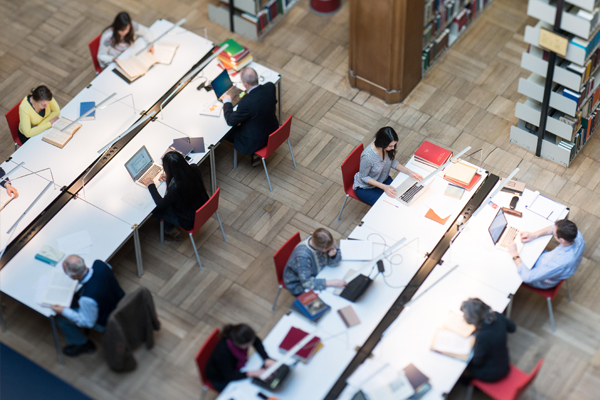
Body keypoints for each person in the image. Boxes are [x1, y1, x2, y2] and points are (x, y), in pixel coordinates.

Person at [50, 255, 125, 357]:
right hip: (119, 302)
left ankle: (82, 344)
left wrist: (63, 311)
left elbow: (87, 322)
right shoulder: (100, 264)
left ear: (75, 275)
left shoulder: (87, 298)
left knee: (60, 320)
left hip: (106, 320)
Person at [143, 151, 209, 241]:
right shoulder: (194, 168)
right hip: (203, 207)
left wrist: (151, 186)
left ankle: (170, 229)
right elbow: (185, 179)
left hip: (189, 220)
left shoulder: (176, 187)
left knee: (156, 210)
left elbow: (161, 204)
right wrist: (169, 178)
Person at [222, 68, 279, 167]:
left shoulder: (246, 103)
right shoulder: (270, 87)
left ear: (246, 84)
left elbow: (230, 120)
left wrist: (227, 102)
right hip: (273, 130)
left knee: (225, 132)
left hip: (255, 141)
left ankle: (254, 152)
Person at [353, 127, 423, 206]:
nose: (393, 148)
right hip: (366, 187)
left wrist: (410, 172)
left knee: (402, 196)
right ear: (382, 143)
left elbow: (391, 162)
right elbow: (364, 177)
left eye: (394, 145)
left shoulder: (384, 148)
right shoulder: (368, 157)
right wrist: (383, 187)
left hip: (383, 180)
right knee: (387, 205)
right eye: (390, 146)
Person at [508, 219, 585, 289]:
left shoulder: (558, 262)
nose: (552, 231)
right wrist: (534, 235)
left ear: (562, 240)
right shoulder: (577, 235)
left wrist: (514, 253)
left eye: (554, 234)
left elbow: (528, 277)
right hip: (544, 259)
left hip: (540, 278)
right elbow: (552, 228)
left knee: (507, 263)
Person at [205, 324, 276, 391]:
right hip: (219, 378)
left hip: (236, 368)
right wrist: (253, 373)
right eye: (248, 344)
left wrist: (266, 358)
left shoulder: (237, 334)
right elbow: (230, 376)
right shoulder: (223, 353)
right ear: (236, 343)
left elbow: (256, 341)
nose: (251, 344)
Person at [461, 298, 516, 382]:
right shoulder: (497, 315)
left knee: (464, 363)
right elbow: (512, 328)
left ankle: (469, 382)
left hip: (491, 374)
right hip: (503, 362)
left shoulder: (482, 336)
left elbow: (477, 362)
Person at [283, 228, 346, 296]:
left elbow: (335, 262)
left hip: (318, 273)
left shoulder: (326, 241)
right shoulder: (303, 257)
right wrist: (332, 283)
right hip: (297, 283)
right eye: (328, 249)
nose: (332, 247)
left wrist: (333, 256)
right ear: (321, 249)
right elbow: (307, 283)